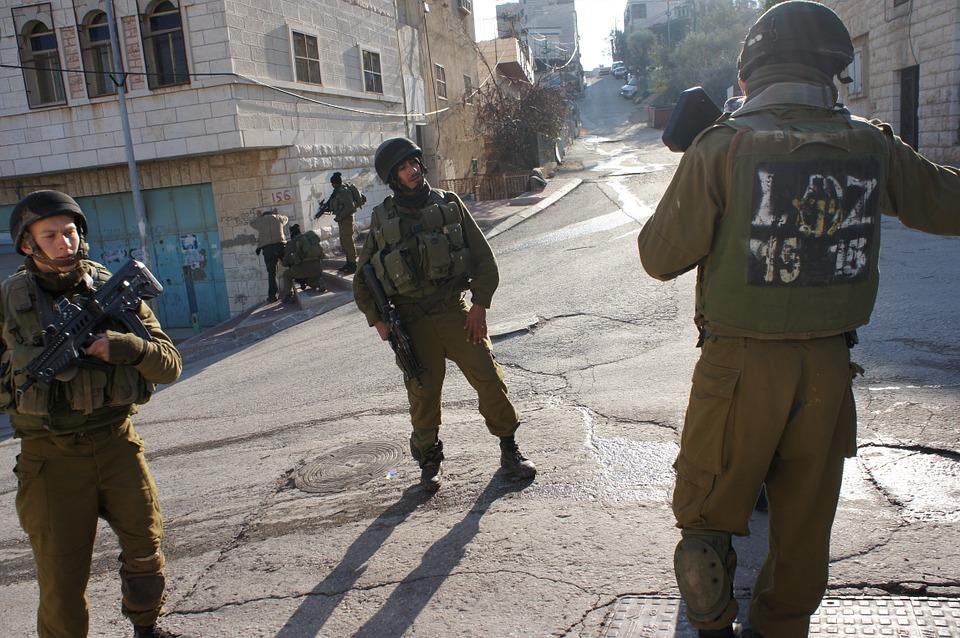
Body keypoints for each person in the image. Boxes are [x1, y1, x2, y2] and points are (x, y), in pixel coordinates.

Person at [636, 2, 960, 637]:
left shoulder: (722, 146)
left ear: (749, 73)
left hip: (736, 368)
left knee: (704, 533)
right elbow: (947, 204)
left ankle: (714, 627)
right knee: (804, 533)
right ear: (835, 70)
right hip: (828, 371)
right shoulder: (873, 144)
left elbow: (658, 257)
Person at [2, 190, 183, 638]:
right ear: (27, 244)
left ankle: (146, 628)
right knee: (62, 579)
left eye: (69, 232)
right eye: (50, 235)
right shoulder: (8, 301)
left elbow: (170, 365)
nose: (64, 243)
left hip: (116, 442)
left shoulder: (111, 287)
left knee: (146, 548)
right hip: (51, 456)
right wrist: (27, 367)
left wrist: (124, 347)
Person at [353, 138, 536, 492]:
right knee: (423, 395)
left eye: (414, 162)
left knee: (488, 376)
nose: (412, 170)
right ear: (393, 178)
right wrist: (378, 320)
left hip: (454, 310)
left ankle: (509, 449)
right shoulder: (382, 219)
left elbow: (484, 259)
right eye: (403, 167)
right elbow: (362, 279)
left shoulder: (448, 204)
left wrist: (480, 305)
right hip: (411, 321)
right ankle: (429, 461)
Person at [327, 171, 365, 274]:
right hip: (343, 220)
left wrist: (339, 216)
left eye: (333, 183)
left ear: (336, 183)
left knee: (348, 242)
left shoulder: (343, 192)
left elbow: (350, 207)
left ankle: (353, 264)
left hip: (347, 220)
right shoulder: (337, 191)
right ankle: (349, 262)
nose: (332, 185)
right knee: (344, 242)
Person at [280, 223, 327, 303]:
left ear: (291, 233)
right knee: (310, 281)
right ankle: (318, 283)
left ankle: (288, 295)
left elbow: (286, 263)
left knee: (286, 274)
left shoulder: (291, 243)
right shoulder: (309, 240)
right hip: (317, 267)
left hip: (302, 270)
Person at [249, 208, 288, 302]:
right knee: (288, 266)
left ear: (263, 215)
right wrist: (277, 214)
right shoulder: (278, 218)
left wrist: (258, 217)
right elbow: (286, 219)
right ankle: (290, 291)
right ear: (272, 213)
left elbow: (251, 223)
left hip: (268, 250)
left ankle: (272, 296)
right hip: (280, 246)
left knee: (272, 273)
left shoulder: (260, 221)